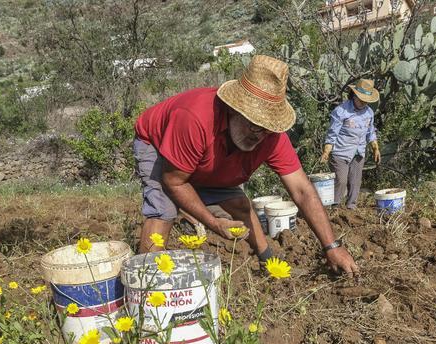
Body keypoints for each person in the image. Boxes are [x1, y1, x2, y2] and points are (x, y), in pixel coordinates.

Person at [133, 55, 359, 277]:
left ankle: (268, 261)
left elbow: (302, 190)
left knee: (240, 204)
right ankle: (144, 288)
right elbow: (174, 181)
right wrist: (212, 222)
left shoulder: (271, 136)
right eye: (254, 125)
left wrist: (332, 246)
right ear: (233, 108)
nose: (260, 135)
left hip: (203, 156)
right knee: (163, 210)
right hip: (158, 144)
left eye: (267, 127)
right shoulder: (194, 118)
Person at [319, 79, 381, 209]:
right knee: (341, 180)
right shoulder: (341, 111)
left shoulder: (369, 112)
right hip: (341, 152)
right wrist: (326, 151)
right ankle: (334, 207)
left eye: (366, 100)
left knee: (355, 182)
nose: (363, 103)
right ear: (354, 95)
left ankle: (350, 207)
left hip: (359, 152)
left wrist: (375, 148)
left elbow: (370, 132)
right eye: (361, 99)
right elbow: (332, 134)